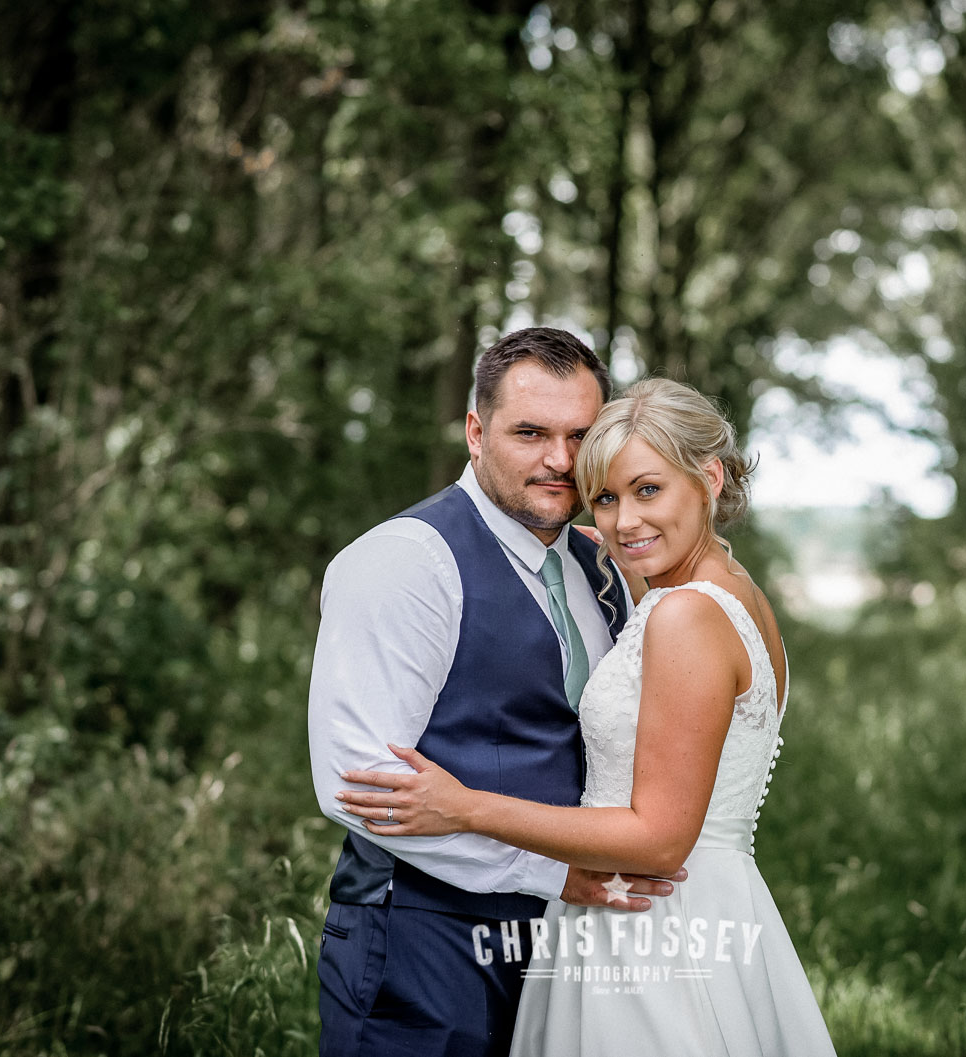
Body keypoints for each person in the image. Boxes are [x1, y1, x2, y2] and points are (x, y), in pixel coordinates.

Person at [335, 378, 838, 1056]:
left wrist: (465, 807)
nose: (625, 521)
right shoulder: (736, 593)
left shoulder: (685, 616)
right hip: (712, 903)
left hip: (648, 915)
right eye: (605, 497)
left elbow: (658, 839)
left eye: (648, 489)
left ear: (710, 478)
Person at [307, 329, 682, 1057]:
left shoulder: (597, 565)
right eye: (531, 433)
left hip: (567, 941)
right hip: (423, 941)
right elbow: (360, 781)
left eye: (581, 436)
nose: (560, 460)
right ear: (476, 433)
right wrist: (550, 871)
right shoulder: (406, 561)